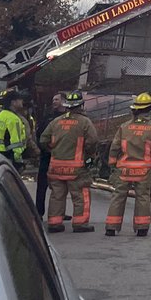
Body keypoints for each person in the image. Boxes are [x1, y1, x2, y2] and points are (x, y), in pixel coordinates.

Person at [104, 92, 151, 237]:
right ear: (149, 109)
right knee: (143, 197)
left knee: (118, 196)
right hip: (143, 170)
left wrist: (112, 163)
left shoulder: (124, 127)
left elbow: (114, 147)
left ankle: (111, 227)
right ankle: (141, 228)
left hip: (124, 169)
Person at [40, 91, 98, 233]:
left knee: (57, 196)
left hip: (56, 167)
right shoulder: (85, 122)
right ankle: (80, 223)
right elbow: (92, 142)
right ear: (81, 105)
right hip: (76, 168)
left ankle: (54, 223)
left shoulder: (56, 122)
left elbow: (43, 140)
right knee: (80, 195)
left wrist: (53, 151)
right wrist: (88, 155)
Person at [36, 93, 67, 217]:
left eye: (57, 99)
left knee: (60, 188)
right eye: (53, 99)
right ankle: (39, 211)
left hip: (61, 157)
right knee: (42, 185)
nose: (54, 101)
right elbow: (40, 135)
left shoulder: (67, 118)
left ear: (64, 101)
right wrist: (46, 149)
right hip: (47, 156)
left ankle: (59, 213)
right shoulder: (48, 117)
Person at [0, 89, 29, 170]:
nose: (22, 102)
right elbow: (16, 143)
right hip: (7, 157)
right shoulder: (13, 119)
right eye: (20, 100)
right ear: (13, 102)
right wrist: (18, 161)